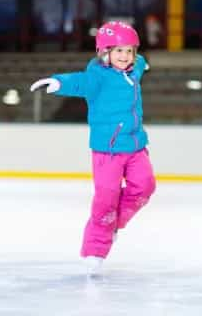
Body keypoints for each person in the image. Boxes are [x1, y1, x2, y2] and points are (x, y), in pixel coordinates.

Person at [30, 21, 156, 276]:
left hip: (135, 145)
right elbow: (79, 82)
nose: (125, 57)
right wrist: (57, 83)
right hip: (106, 151)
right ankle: (95, 249)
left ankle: (113, 225)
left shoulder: (136, 68)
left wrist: (142, 60)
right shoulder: (97, 77)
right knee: (106, 199)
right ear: (104, 52)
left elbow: (142, 61)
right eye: (119, 51)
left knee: (145, 186)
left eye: (129, 51)